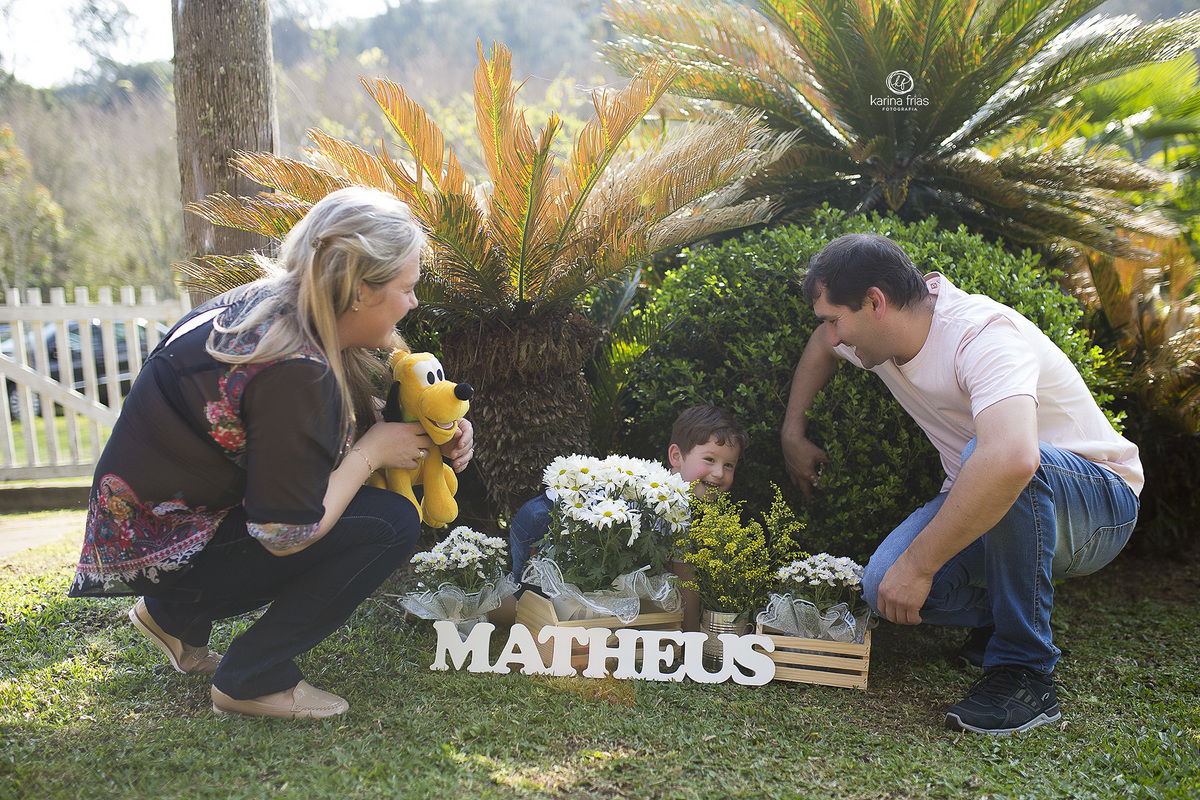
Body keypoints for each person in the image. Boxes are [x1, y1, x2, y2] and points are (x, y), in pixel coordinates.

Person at [69, 187, 475, 720]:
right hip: (172, 549)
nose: (414, 303)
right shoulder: (295, 368)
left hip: (151, 537)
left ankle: (174, 615)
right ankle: (251, 679)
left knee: (366, 505)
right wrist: (372, 453)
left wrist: (422, 429)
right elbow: (286, 535)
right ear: (358, 289)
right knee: (393, 520)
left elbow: (284, 444)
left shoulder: (264, 310)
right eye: (407, 287)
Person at [780, 233, 1141, 735]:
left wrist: (920, 563)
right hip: (1003, 494)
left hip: (1099, 503)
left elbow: (1013, 458)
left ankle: (1025, 673)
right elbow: (821, 346)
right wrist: (792, 430)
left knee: (992, 458)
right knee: (883, 585)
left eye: (835, 319)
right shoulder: (875, 339)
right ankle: (1009, 611)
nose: (834, 336)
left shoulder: (980, 333)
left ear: (875, 302)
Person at [506, 405, 748, 630]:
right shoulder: (672, 502)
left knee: (534, 598)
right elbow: (685, 575)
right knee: (532, 601)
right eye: (710, 459)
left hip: (550, 516)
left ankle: (488, 609)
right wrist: (693, 635)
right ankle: (487, 613)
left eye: (729, 465)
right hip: (547, 520)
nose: (719, 473)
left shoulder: (669, 495)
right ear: (676, 456)